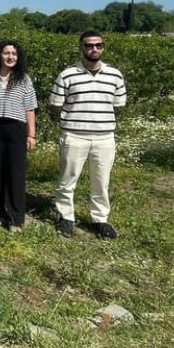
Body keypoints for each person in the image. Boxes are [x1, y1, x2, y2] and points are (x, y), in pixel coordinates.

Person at [49, 31, 126, 240]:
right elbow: (55, 105)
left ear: (103, 47)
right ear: (81, 48)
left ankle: (100, 220)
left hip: (104, 138)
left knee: (101, 181)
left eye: (98, 45)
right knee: (67, 180)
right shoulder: (67, 75)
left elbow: (118, 105)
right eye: (89, 45)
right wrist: (71, 120)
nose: (94, 49)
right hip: (74, 136)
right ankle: (66, 217)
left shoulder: (115, 75)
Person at [0, 40, 38, 233]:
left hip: (16, 128)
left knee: (15, 172)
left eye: (14, 54)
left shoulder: (24, 79)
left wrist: (31, 135)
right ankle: (0, 212)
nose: (10, 57)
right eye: (6, 53)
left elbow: (30, 109)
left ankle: (16, 218)